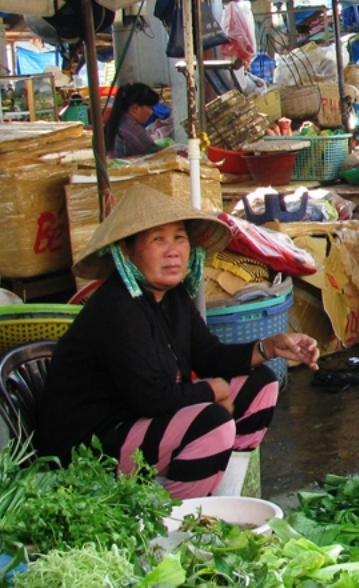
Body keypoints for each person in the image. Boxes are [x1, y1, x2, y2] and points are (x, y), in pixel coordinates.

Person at [35, 184, 320, 499]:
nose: (173, 251)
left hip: (136, 423)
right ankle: (175, 527)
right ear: (126, 251)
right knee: (211, 423)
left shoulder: (172, 298)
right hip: (89, 447)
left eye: (179, 238)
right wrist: (214, 390)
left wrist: (267, 347)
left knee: (262, 383)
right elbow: (153, 398)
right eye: (158, 239)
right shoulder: (116, 308)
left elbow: (209, 355)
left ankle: (225, 500)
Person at [104, 83, 165, 159]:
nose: (151, 112)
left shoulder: (117, 122)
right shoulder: (133, 130)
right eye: (149, 108)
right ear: (135, 108)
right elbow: (160, 156)